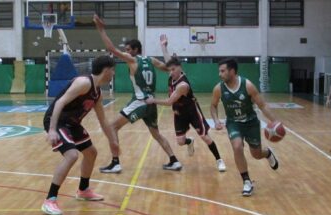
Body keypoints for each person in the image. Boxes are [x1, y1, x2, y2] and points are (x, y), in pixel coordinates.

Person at [93, 15, 182, 173]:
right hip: (151, 102)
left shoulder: (132, 60)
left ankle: (116, 163)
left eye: (128, 50)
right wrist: (165, 48)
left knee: (112, 127)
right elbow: (170, 67)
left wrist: (101, 30)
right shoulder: (152, 60)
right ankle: (174, 160)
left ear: (135, 50)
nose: (126, 52)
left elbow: (112, 49)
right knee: (156, 134)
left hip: (140, 101)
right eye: (126, 50)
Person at [41, 55, 117, 215]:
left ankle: (83, 190)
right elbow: (60, 102)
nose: (114, 74)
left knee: (91, 152)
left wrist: (112, 142)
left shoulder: (97, 93)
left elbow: (102, 119)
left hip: (72, 123)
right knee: (72, 155)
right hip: (57, 120)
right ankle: (50, 199)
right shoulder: (84, 83)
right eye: (113, 70)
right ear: (106, 70)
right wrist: (52, 129)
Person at [145, 34, 226, 172]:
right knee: (180, 141)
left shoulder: (182, 84)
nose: (170, 73)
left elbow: (170, 101)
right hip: (179, 112)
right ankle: (190, 141)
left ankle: (219, 160)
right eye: (169, 70)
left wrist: (153, 100)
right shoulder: (172, 73)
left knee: (205, 137)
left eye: (173, 70)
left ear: (180, 68)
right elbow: (168, 61)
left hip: (191, 111)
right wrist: (163, 46)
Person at [210, 58, 279, 197]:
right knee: (237, 146)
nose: (220, 74)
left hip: (251, 123)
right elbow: (213, 105)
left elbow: (262, 105)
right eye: (219, 71)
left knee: (256, 154)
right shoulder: (219, 88)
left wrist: (275, 121)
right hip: (233, 123)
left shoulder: (247, 85)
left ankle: (268, 153)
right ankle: (246, 181)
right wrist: (216, 120)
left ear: (232, 71)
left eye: (223, 71)